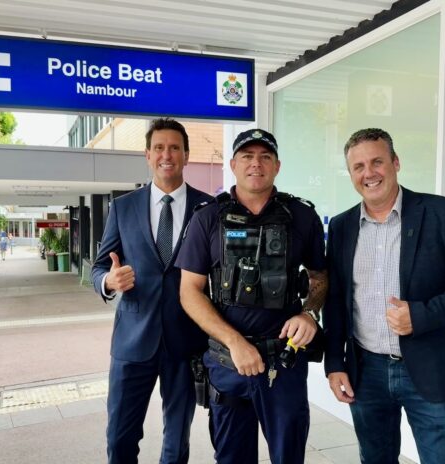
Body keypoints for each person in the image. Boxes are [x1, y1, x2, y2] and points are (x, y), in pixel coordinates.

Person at [323, 128, 445, 464]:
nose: (369, 173)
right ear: (351, 174)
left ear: (395, 163)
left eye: (377, 162)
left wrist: (420, 315)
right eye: (358, 167)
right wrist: (334, 363)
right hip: (366, 371)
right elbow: (336, 299)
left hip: (430, 368)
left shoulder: (442, 213)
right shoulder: (342, 226)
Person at [177, 128, 328, 464]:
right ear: (233, 164)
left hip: (284, 363)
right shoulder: (208, 217)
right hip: (228, 363)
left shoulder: (301, 216)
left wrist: (309, 314)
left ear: (277, 166)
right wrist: (234, 342)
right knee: (232, 458)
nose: (255, 164)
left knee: (288, 457)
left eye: (265, 157)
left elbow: (319, 276)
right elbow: (189, 291)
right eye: (247, 156)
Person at [90, 118, 212, 464]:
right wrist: (109, 281)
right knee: (120, 437)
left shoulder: (208, 209)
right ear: (147, 155)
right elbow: (99, 267)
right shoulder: (123, 207)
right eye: (159, 148)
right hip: (132, 341)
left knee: (177, 440)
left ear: (186, 155)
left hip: (186, 342)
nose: (166, 155)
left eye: (174, 148)